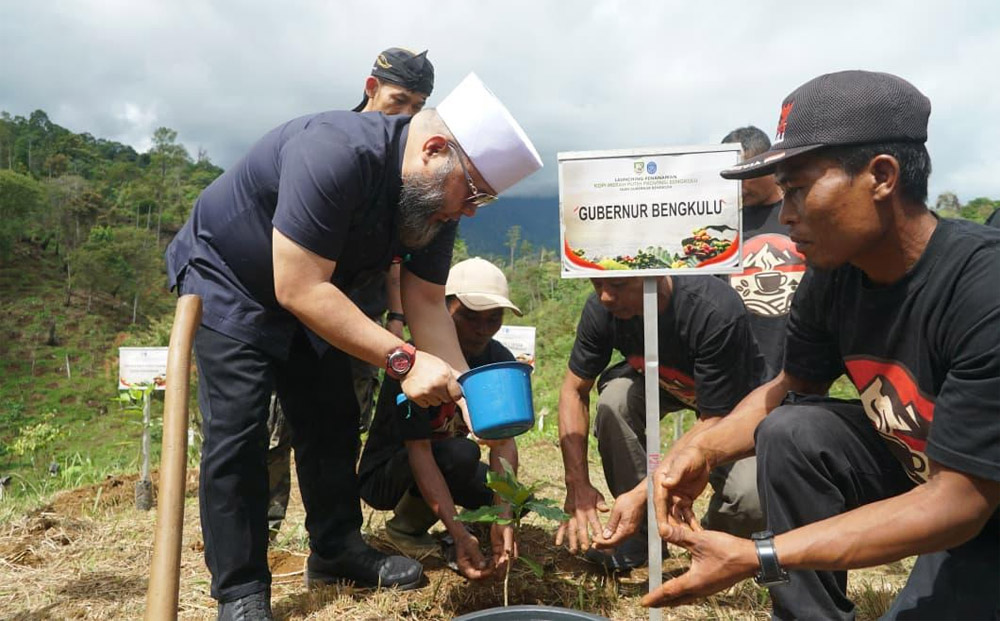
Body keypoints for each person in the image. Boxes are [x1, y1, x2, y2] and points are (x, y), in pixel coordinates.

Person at [165, 72, 542, 620]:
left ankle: (336, 549)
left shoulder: (430, 206)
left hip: (320, 293)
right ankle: (241, 589)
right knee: (240, 431)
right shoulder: (334, 152)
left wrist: (468, 392)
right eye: (474, 191)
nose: (471, 211)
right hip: (233, 281)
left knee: (332, 419)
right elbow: (297, 286)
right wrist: (404, 360)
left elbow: (426, 301)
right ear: (435, 150)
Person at [645, 70, 999, 620]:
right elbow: (789, 388)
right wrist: (700, 451)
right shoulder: (834, 274)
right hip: (927, 473)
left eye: (799, 189)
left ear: (881, 176)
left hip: (977, 500)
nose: (786, 215)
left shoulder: (982, 288)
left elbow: (962, 501)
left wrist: (760, 556)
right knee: (792, 428)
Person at [265, 47, 433, 540]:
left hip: (359, 320)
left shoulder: (410, 167)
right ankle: (265, 530)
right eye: (399, 101)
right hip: (293, 309)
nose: (405, 116)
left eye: (417, 107)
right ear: (370, 88)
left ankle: (336, 542)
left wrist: (396, 318)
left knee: (340, 427)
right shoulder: (335, 147)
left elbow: (399, 259)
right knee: (271, 429)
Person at [555, 273, 767, 572]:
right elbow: (573, 391)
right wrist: (577, 483)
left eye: (618, 285)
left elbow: (714, 419)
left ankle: (708, 544)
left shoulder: (712, 308)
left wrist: (644, 494)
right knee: (615, 400)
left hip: (733, 405)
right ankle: (637, 537)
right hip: (664, 383)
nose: (605, 297)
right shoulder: (601, 310)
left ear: (654, 274)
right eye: (597, 284)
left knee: (748, 496)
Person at [358, 257, 523, 580]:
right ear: (443, 309)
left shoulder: (496, 360)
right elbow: (419, 453)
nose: (482, 329)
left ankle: (477, 527)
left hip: (446, 461)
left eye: (493, 319)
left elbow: (504, 443)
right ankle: (405, 527)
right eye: (470, 317)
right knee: (462, 452)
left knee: (516, 501)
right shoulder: (415, 364)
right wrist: (459, 533)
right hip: (389, 475)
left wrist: (503, 516)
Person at [721, 126, 802, 378]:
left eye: (745, 176)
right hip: (736, 364)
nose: (739, 186)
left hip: (795, 363)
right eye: (732, 177)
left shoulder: (799, 212)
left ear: (768, 165)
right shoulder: (723, 224)